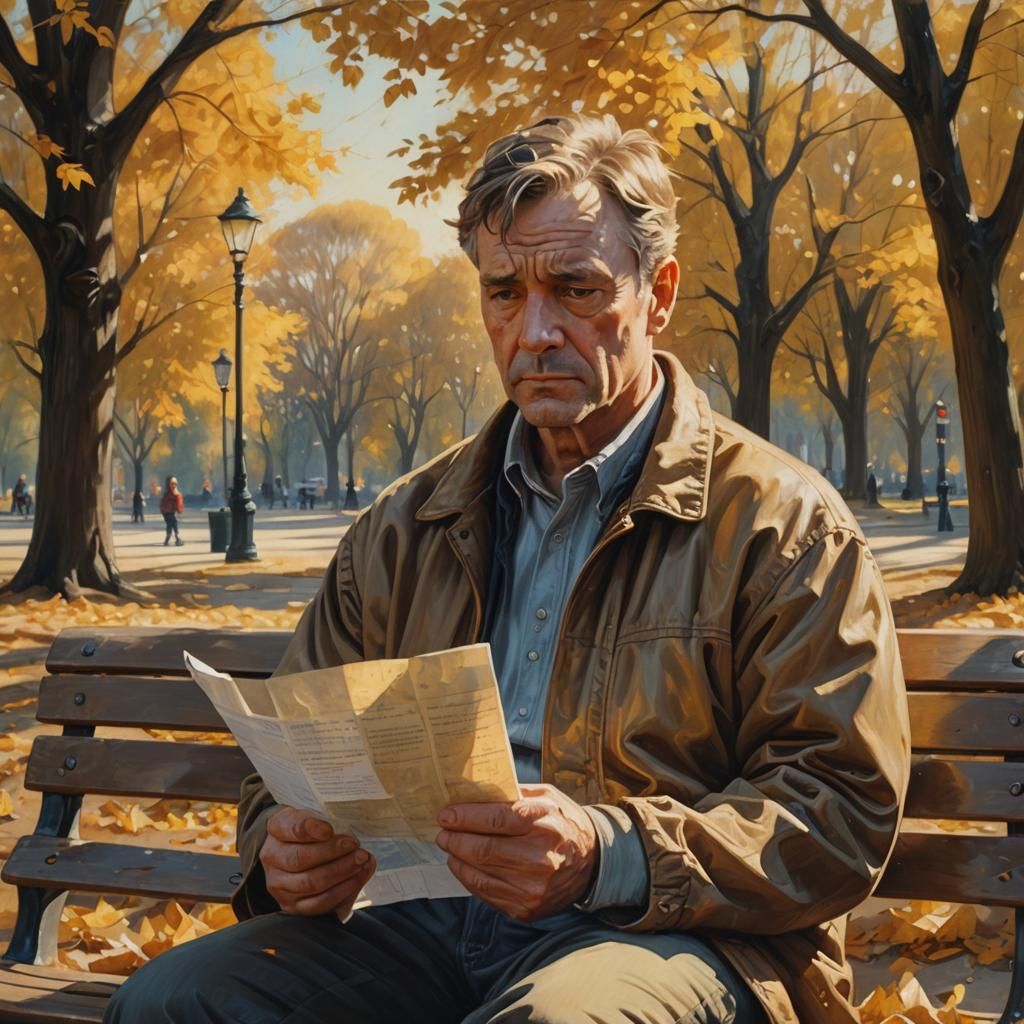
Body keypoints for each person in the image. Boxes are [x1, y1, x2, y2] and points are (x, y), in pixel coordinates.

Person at [107, 114, 909, 1024]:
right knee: (173, 1002)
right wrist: (280, 850)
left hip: (670, 935)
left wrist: (607, 849)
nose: (533, 332)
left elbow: (838, 810)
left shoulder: (784, 524)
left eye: (575, 289)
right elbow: (281, 767)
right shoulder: (402, 526)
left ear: (659, 294)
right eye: (503, 292)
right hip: (414, 923)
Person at [159, 476, 184, 547]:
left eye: (175, 484)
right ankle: (176, 539)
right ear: (169, 484)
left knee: (171, 525)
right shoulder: (170, 494)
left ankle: (170, 539)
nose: (174, 485)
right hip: (168, 513)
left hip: (169, 513)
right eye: (172, 484)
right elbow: (163, 504)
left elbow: (179, 506)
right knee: (172, 524)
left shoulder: (172, 493)